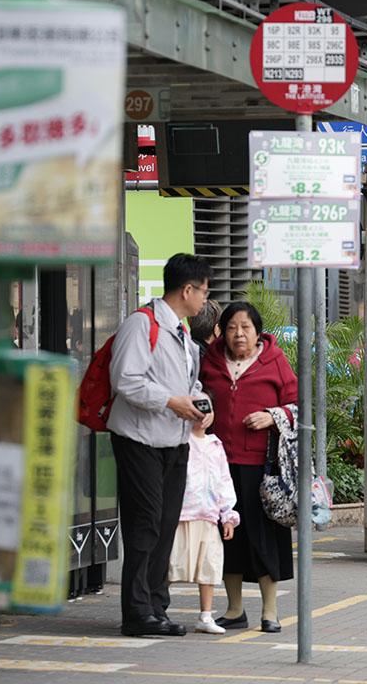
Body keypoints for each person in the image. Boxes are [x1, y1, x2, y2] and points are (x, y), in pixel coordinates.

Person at [108, 253, 213, 637]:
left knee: (165, 525)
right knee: (145, 525)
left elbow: (186, 384)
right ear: (187, 289)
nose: (205, 300)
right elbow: (126, 380)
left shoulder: (183, 333)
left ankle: (156, 606)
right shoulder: (142, 324)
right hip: (139, 440)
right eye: (203, 291)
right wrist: (172, 402)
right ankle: (137, 612)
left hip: (175, 440)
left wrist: (200, 403)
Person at [200, 302, 298, 633]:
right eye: (231, 328)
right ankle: (233, 609)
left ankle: (270, 612)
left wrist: (273, 416)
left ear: (258, 332)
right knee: (228, 538)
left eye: (245, 327)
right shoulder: (210, 362)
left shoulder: (275, 361)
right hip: (218, 466)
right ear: (221, 332)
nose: (238, 334)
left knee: (265, 539)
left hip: (261, 467)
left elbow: (298, 405)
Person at [169, 417, 240, 634]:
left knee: (209, 565)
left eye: (206, 410)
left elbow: (224, 480)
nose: (201, 417)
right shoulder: (180, 441)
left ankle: (206, 615)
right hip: (182, 514)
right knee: (172, 565)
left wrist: (228, 515)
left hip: (208, 515)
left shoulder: (216, 446)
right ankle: (156, 608)